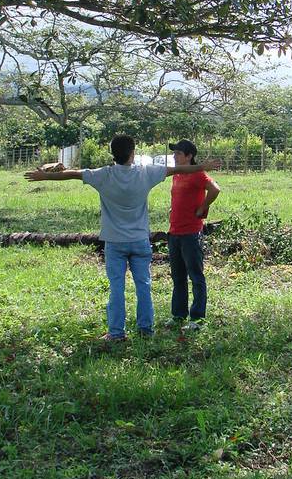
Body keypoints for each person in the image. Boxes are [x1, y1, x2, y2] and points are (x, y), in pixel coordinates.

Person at [24, 135, 218, 342]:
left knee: (117, 288)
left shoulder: (103, 175)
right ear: (132, 153)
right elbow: (178, 170)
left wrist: (46, 176)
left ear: (113, 154)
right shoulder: (145, 173)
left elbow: (74, 174)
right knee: (143, 285)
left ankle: (116, 333)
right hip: (140, 241)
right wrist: (203, 165)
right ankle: (146, 329)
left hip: (115, 242)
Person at [166, 139, 220, 331]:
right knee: (178, 276)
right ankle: (179, 315)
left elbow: (215, 189)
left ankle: (197, 319)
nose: (175, 156)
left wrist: (203, 207)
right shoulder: (176, 174)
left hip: (191, 233)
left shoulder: (198, 174)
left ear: (189, 156)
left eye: (178, 153)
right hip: (174, 232)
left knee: (196, 276)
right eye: (175, 153)